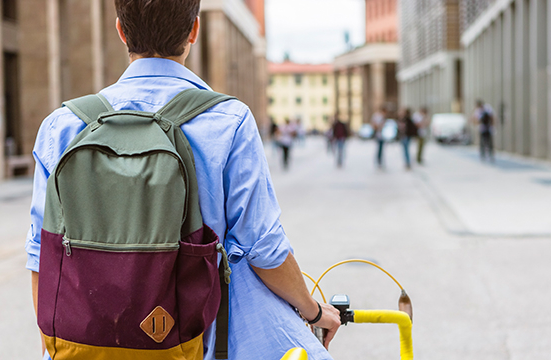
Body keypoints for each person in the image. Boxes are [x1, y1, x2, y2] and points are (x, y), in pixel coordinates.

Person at [24, 2, 340, 360]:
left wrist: (57, 348)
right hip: (195, 345)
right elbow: (262, 248)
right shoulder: (228, 120)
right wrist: (314, 310)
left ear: (121, 31)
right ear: (193, 31)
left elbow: (40, 253)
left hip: (85, 348)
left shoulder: (63, 125)